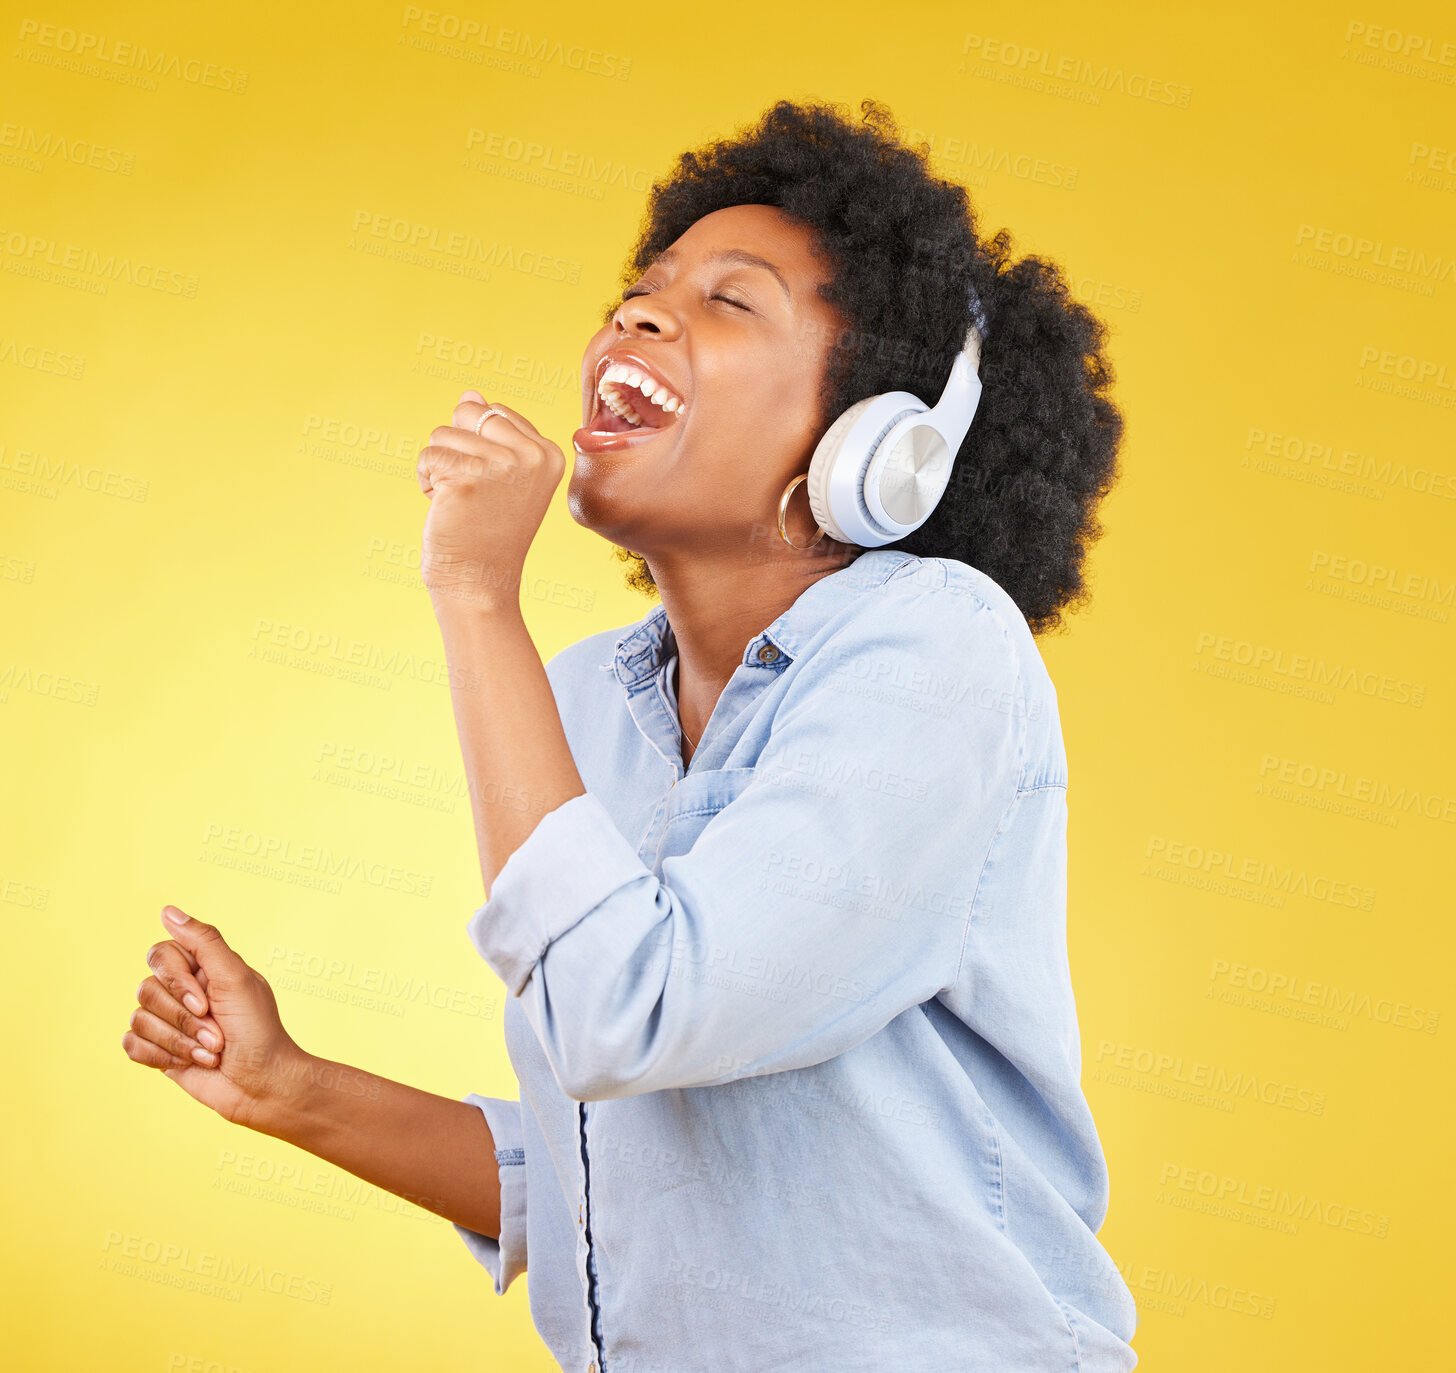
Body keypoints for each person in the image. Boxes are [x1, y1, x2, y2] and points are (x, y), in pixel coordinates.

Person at [124, 97, 1135, 1370]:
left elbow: (631, 1011)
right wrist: (292, 1089)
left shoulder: (936, 653)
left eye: (731, 299)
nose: (639, 314)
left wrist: (475, 591)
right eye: (644, 289)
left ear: (883, 449)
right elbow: (621, 1196)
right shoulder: (592, 697)